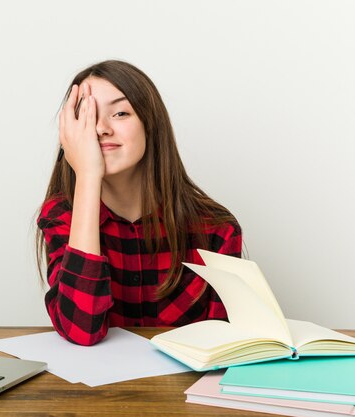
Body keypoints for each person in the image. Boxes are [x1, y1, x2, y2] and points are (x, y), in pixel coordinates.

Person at [36, 60, 242, 346]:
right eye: (86, 117)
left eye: (120, 113)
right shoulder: (61, 217)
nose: (100, 129)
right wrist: (86, 175)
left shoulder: (216, 228)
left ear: (150, 124)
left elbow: (226, 347)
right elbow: (80, 330)